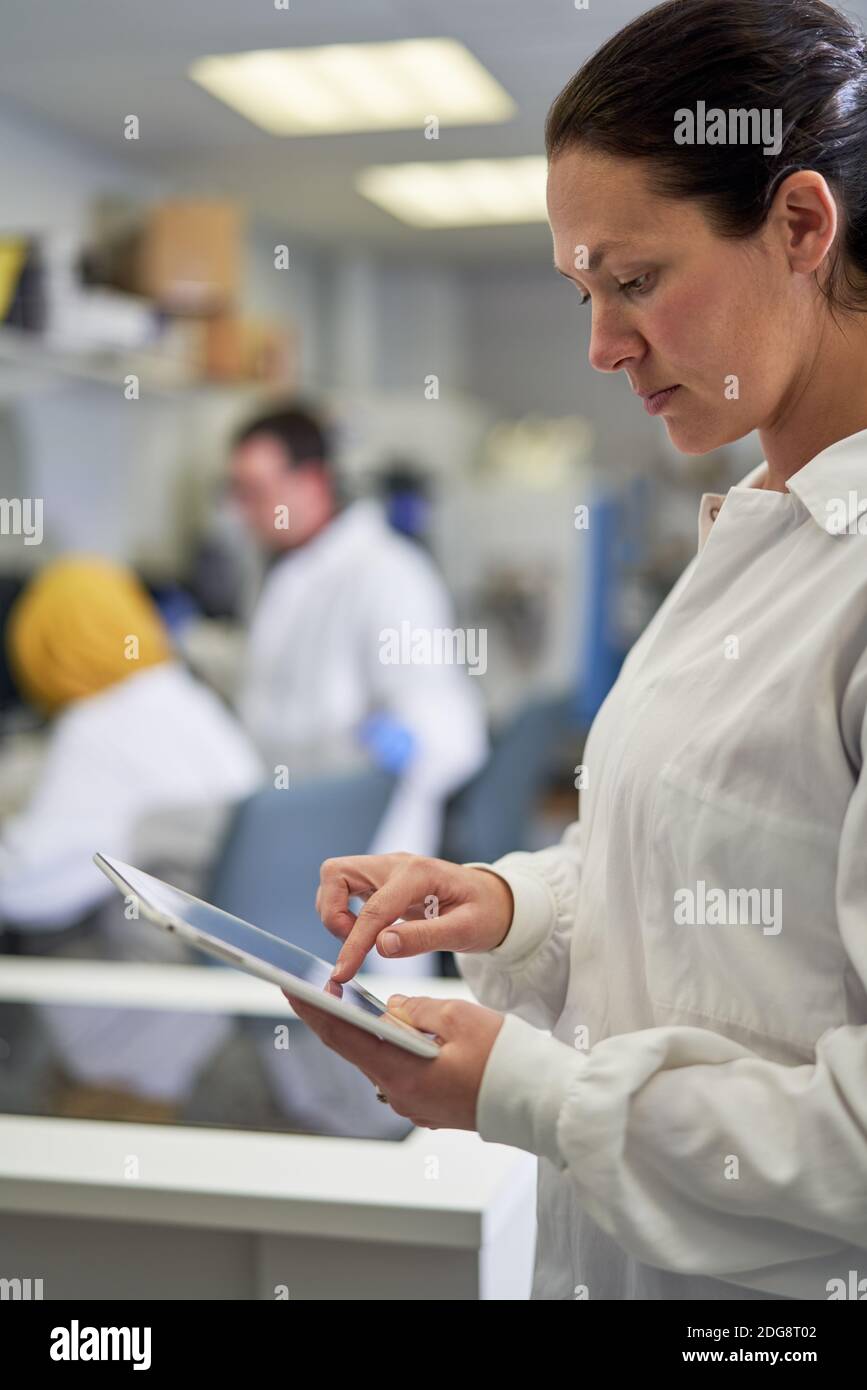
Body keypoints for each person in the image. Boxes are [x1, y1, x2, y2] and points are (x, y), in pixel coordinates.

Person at [283, 0, 867, 1300]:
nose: (600, 345)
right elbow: (717, 887)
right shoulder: (758, 532)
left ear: (798, 226)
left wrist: (529, 1091)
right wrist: (511, 904)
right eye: (581, 290)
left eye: (635, 279)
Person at [228, 403, 488, 977]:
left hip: (371, 861)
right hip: (290, 845)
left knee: (376, 1036)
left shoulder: (387, 574)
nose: (242, 511)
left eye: (254, 491)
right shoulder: (291, 567)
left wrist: (403, 742)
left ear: (313, 480)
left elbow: (451, 726)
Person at [0, 556, 263, 1116]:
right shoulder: (184, 695)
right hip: (209, 1002)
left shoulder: (97, 726)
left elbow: (33, 888)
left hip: (131, 1002)